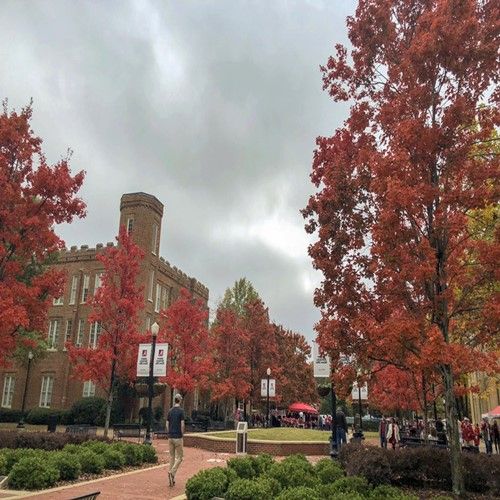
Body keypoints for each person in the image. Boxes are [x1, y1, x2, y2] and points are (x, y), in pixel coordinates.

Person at [167, 394, 185, 487]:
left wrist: (169, 433)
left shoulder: (170, 411)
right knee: (180, 457)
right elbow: (182, 424)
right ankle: (172, 472)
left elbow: (167, 424)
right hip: (178, 437)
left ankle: (171, 477)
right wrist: (182, 434)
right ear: (180, 400)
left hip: (170, 437)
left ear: (175, 400)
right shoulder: (181, 411)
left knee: (172, 457)